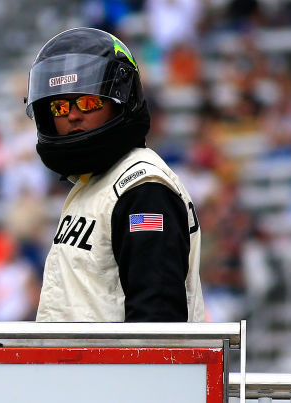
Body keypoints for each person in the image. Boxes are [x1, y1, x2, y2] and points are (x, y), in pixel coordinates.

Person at [25, 28, 205, 322]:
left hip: (115, 369)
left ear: (119, 100)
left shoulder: (142, 189)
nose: (72, 114)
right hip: (81, 368)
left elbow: (156, 323)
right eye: (60, 105)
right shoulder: (95, 185)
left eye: (88, 101)